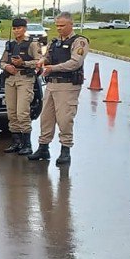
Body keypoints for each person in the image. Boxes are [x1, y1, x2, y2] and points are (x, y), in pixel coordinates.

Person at [29, 12, 88, 166]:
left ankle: (65, 150)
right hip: (51, 85)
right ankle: (43, 147)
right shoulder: (54, 42)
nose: (59, 28)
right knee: (46, 118)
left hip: (67, 86)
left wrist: (53, 68)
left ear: (71, 25)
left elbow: (75, 63)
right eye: (57, 26)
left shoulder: (79, 42)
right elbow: (47, 56)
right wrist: (42, 61)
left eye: (62, 26)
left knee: (64, 119)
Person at [0, 18, 43, 155]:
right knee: (12, 112)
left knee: (22, 112)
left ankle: (27, 144)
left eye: (19, 28)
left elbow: (38, 62)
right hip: (10, 79)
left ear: (25, 29)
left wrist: (23, 63)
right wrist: (7, 66)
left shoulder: (32, 44)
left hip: (25, 78)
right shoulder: (10, 45)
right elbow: (2, 61)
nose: (16, 31)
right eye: (14, 28)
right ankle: (16, 141)